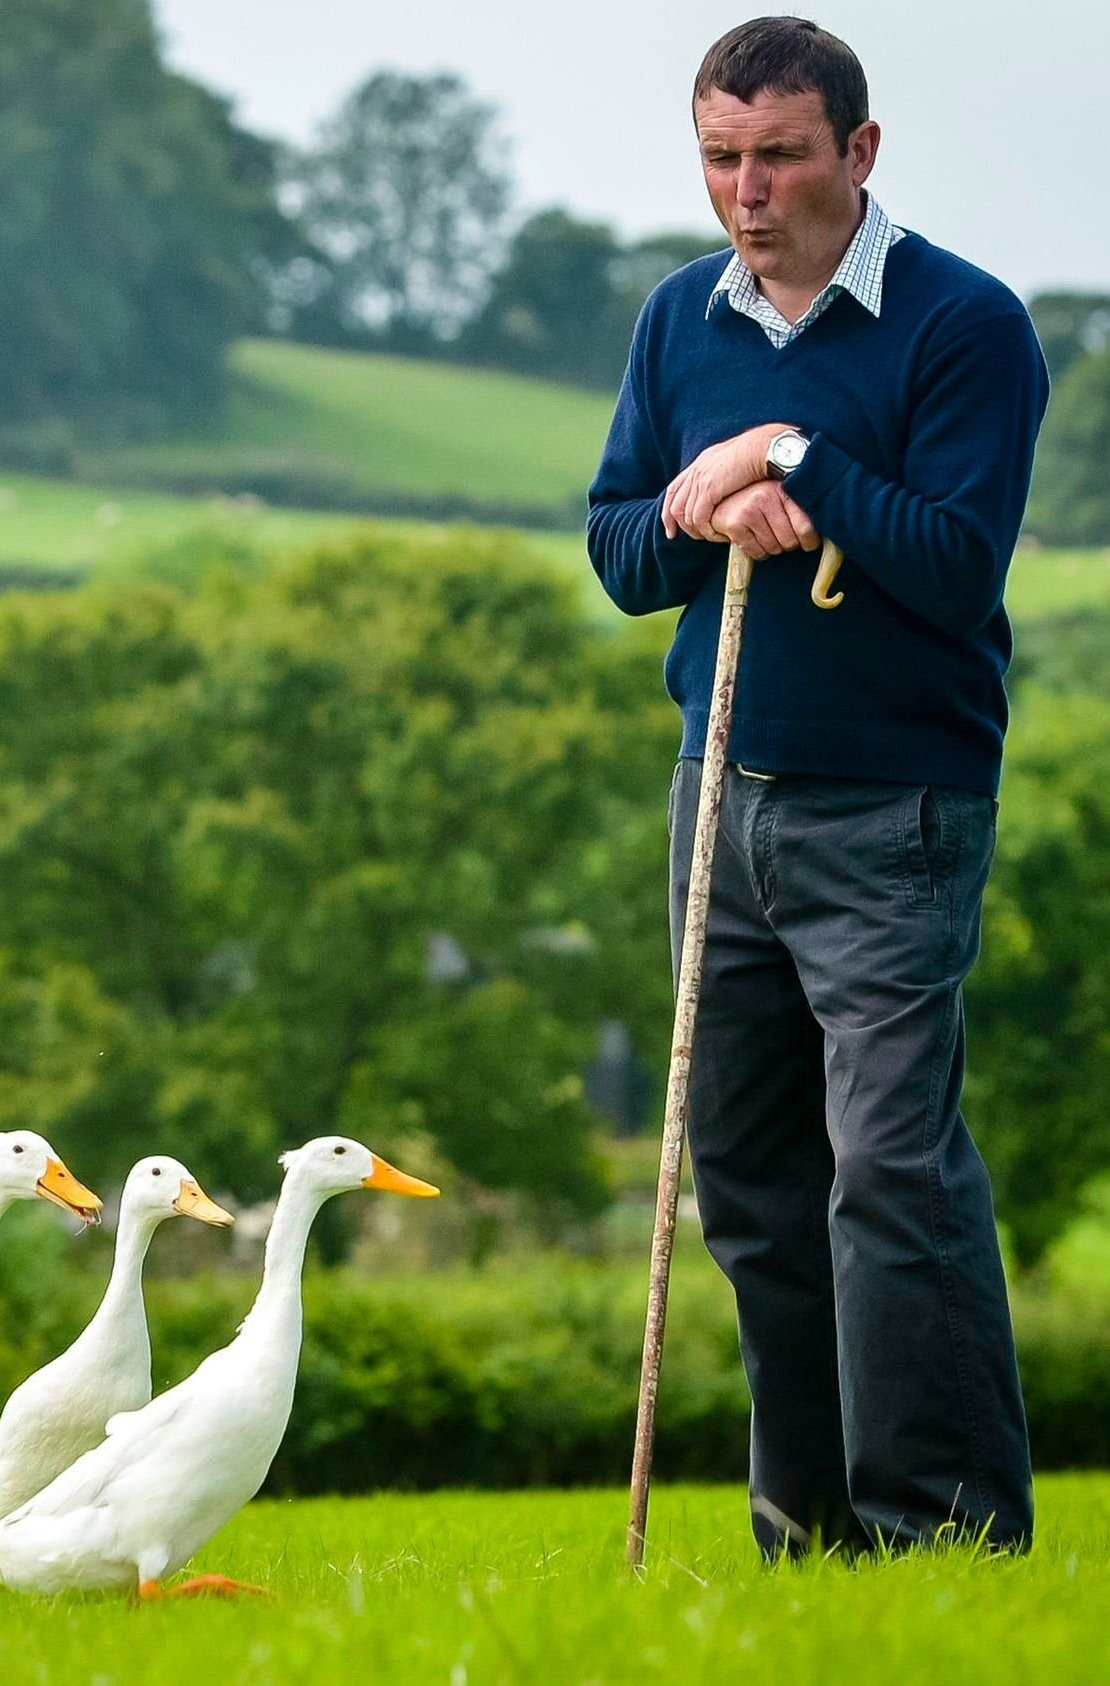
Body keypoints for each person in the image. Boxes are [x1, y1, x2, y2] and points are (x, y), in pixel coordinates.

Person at [586, 17, 1045, 1558]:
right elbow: (620, 556)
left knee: (891, 1175)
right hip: (718, 794)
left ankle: (949, 1532)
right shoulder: (675, 317)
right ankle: (811, 1533)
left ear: (859, 151)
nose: (746, 190)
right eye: (721, 157)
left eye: (778, 154)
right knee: (754, 1188)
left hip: (896, 811)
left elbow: (955, 564)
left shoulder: (966, 325)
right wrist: (698, 491)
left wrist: (796, 450)